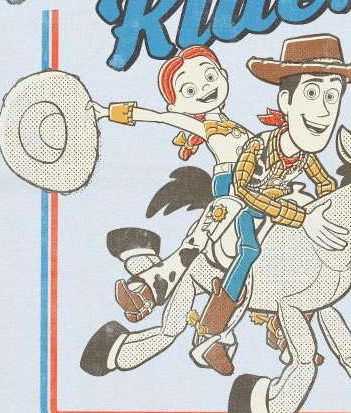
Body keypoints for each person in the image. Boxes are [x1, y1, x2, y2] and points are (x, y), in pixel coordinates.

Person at [191, 33, 351, 371]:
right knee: (249, 251)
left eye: (332, 96)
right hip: (243, 209)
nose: (323, 109)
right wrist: (299, 216)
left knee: (314, 261)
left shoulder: (304, 156)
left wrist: (327, 211)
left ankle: (284, 333)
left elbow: (325, 183)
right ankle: (210, 334)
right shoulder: (259, 146)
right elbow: (243, 189)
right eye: (312, 93)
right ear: (286, 101)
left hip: (279, 212)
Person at [92, 45, 249, 322]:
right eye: (189, 90)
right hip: (231, 189)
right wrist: (108, 112)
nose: (205, 89)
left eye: (210, 77)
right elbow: (160, 117)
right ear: (178, 107)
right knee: (198, 240)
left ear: (223, 75)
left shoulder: (234, 126)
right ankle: (147, 292)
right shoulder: (207, 128)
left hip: (256, 187)